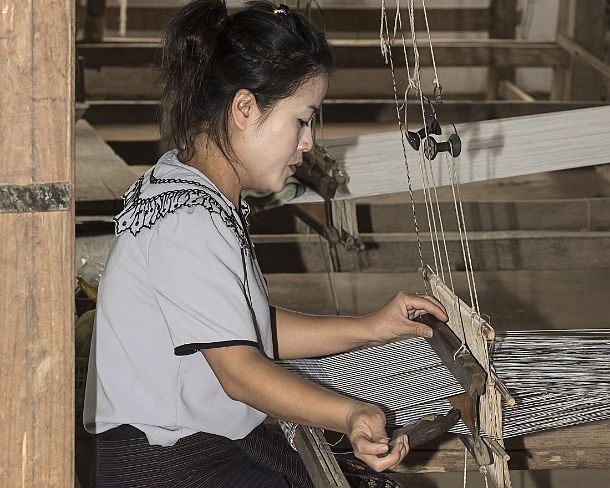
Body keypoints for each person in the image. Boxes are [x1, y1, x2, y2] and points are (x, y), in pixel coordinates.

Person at [83, 1, 448, 487]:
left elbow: (241, 327)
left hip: (202, 449)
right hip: (169, 467)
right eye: (302, 120)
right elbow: (240, 371)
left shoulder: (191, 189)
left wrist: (372, 327)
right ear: (243, 108)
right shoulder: (188, 220)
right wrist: (349, 414)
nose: (307, 143)